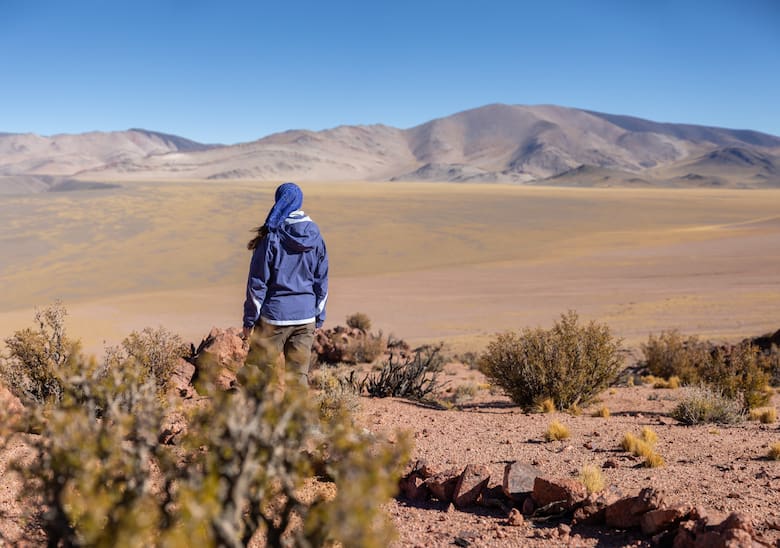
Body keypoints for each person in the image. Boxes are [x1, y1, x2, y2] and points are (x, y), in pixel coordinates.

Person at [241, 182, 328, 388]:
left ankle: (254, 418)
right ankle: (298, 420)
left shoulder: (271, 236)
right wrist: (318, 316)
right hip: (305, 318)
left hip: (274, 318)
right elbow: (321, 282)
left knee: (258, 374)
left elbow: (257, 284)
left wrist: (249, 320)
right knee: (298, 379)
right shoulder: (316, 236)